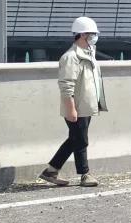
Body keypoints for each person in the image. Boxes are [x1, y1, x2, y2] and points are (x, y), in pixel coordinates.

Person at [40, 16, 108, 188]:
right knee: (81, 140)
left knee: (75, 139)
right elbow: (66, 86)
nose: (95, 37)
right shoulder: (71, 57)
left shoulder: (88, 54)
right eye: (92, 34)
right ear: (83, 35)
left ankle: (51, 171)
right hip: (77, 107)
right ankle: (85, 175)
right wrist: (71, 109)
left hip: (86, 106)